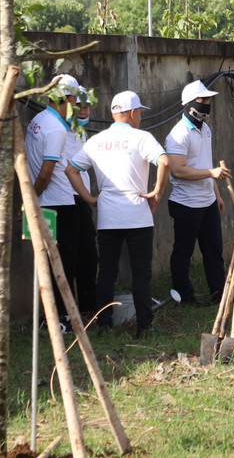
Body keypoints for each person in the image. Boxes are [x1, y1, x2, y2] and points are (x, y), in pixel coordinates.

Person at [69, 90, 170, 337]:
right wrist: (156, 191)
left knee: (106, 273)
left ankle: (103, 325)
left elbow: (71, 169)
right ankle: (144, 327)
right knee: (141, 273)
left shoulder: (95, 141)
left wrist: (90, 197)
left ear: (114, 113)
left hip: (108, 217)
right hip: (138, 214)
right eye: (139, 113)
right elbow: (165, 162)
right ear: (133, 113)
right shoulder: (142, 138)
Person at [24, 73, 84, 332]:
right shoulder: (57, 129)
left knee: (45, 262)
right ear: (69, 98)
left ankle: (51, 315)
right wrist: (31, 200)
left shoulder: (38, 120)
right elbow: (46, 173)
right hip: (58, 203)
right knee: (64, 262)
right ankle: (59, 318)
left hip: (41, 203)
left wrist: (29, 201)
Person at [165, 81, 231, 306]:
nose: (207, 104)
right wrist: (211, 173)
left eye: (209, 100)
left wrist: (217, 194)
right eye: (202, 100)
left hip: (208, 201)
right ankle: (184, 296)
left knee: (214, 250)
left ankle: (218, 293)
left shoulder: (205, 129)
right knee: (183, 252)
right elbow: (178, 170)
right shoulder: (178, 134)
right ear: (190, 104)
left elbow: (206, 164)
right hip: (186, 203)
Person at [64, 85, 99, 322]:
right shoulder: (58, 131)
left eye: (88, 106)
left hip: (80, 199)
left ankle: (88, 309)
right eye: (80, 106)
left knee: (88, 257)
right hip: (65, 200)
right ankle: (64, 314)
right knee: (68, 258)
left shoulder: (79, 132)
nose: (85, 111)